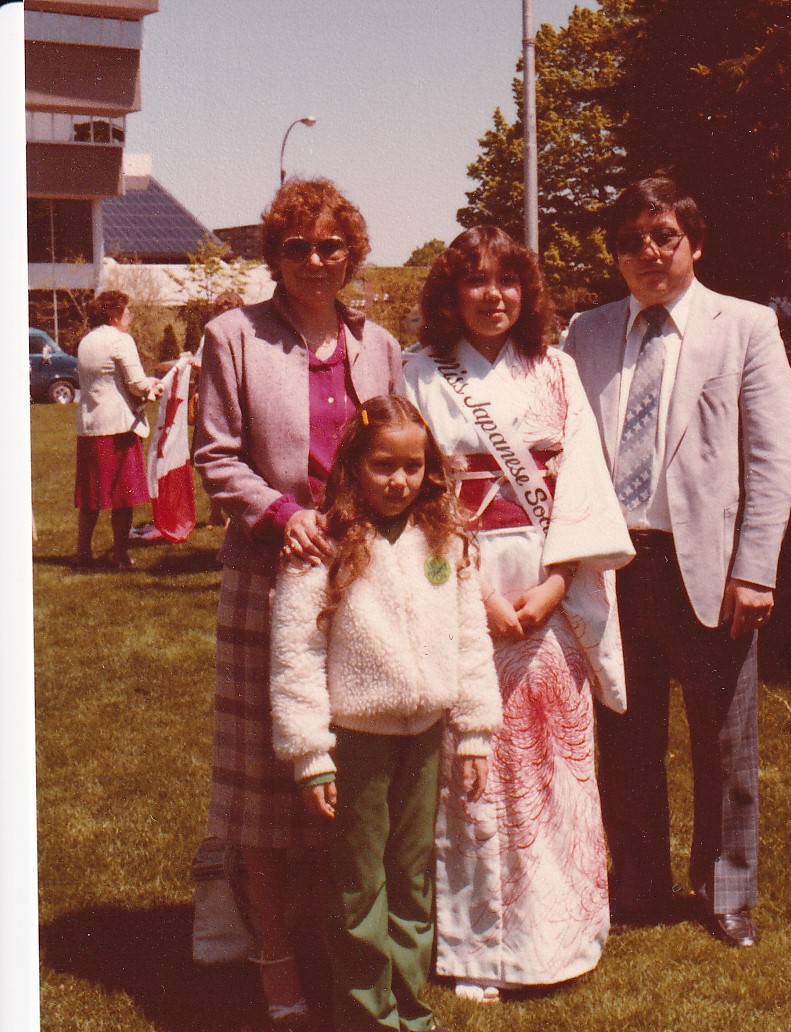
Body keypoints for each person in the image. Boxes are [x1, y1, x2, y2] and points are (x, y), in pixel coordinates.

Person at [564, 178, 791, 948]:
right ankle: (636, 884)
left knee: (723, 740)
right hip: (612, 564)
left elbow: (773, 455)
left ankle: (726, 892)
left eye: (663, 236)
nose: (648, 253)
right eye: (631, 240)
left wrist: (756, 568)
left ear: (693, 243)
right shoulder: (587, 332)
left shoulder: (745, 327)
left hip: (707, 568)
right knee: (626, 735)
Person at [193, 177, 403, 1028]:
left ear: (351, 252)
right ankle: (274, 963)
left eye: (330, 246)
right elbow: (214, 457)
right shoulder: (231, 336)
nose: (316, 261)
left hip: (357, 578)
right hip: (267, 573)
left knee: (343, 774)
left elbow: (395, 448)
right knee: (261, 782)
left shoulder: (379, 343)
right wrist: (282, 515)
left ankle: (337, 950)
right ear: (273, 255)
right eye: (296, 247)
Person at [404, 226, 633, 1000]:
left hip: (548, 589)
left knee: (551, 764)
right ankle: (475, 950)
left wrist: (558, 584)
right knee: (471, 764)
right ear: (451, 294)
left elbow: (585, 488)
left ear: (527, 292)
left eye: (508, 280)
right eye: (476, 281)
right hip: (459, 587)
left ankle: (559, 935)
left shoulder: (558, 372)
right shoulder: (419, 376)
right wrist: (481, 596)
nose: (493, 296)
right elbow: (416, 497)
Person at [270, 395, 501, 1032]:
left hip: (424, 737)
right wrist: (311, 755)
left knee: (412, 875)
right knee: (359, 883)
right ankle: (366, 1014)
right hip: (356, 741)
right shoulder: (322, 543)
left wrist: (476, 732)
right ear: (352, 466)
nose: (399, 481)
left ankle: (409, 1006)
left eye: (413, 467)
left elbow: (470, 635)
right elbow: (297, 653)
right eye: (382, 466)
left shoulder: (444, 538)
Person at [73, 289, 162, 568]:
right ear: (114, 315)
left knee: (91, 497)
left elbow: (109, 381)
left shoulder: (86, 341)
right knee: (123, 497)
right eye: (127, 311)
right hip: (118, 428)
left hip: (90, 427)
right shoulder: (121, 340)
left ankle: (82, 552)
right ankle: (120, 554)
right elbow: (136, 383)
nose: (130, 316)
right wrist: (152, 388)